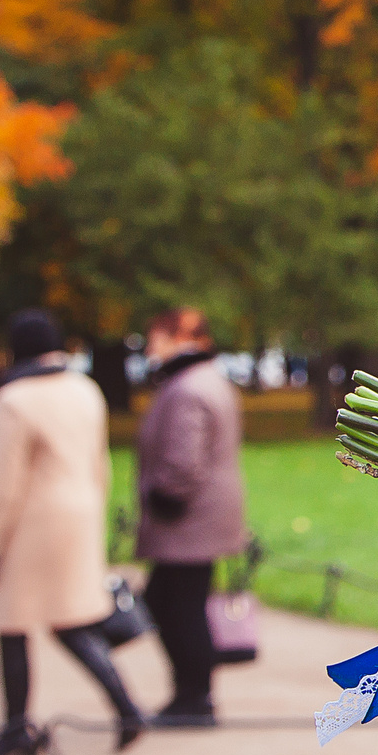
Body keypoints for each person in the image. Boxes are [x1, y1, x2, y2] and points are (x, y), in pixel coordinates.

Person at [0, 309, 142, 755]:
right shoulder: (85, 390)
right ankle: (126, 708)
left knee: (11, 624)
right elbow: (99, 461)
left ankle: (15, 729)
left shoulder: (12, 400)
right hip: (80, 514)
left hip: (31, 524)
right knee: (71, 621)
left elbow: (4, 484)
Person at [135, 306, 245, 728]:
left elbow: (183, 460)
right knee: (174, 603)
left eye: (156, 338)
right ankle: (190, 695)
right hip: (200, 519)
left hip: (187, 521)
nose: (150, 349)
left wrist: (164, 496)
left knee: (177, 607)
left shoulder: (187, 388)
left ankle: (194, 699)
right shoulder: (205, 381)